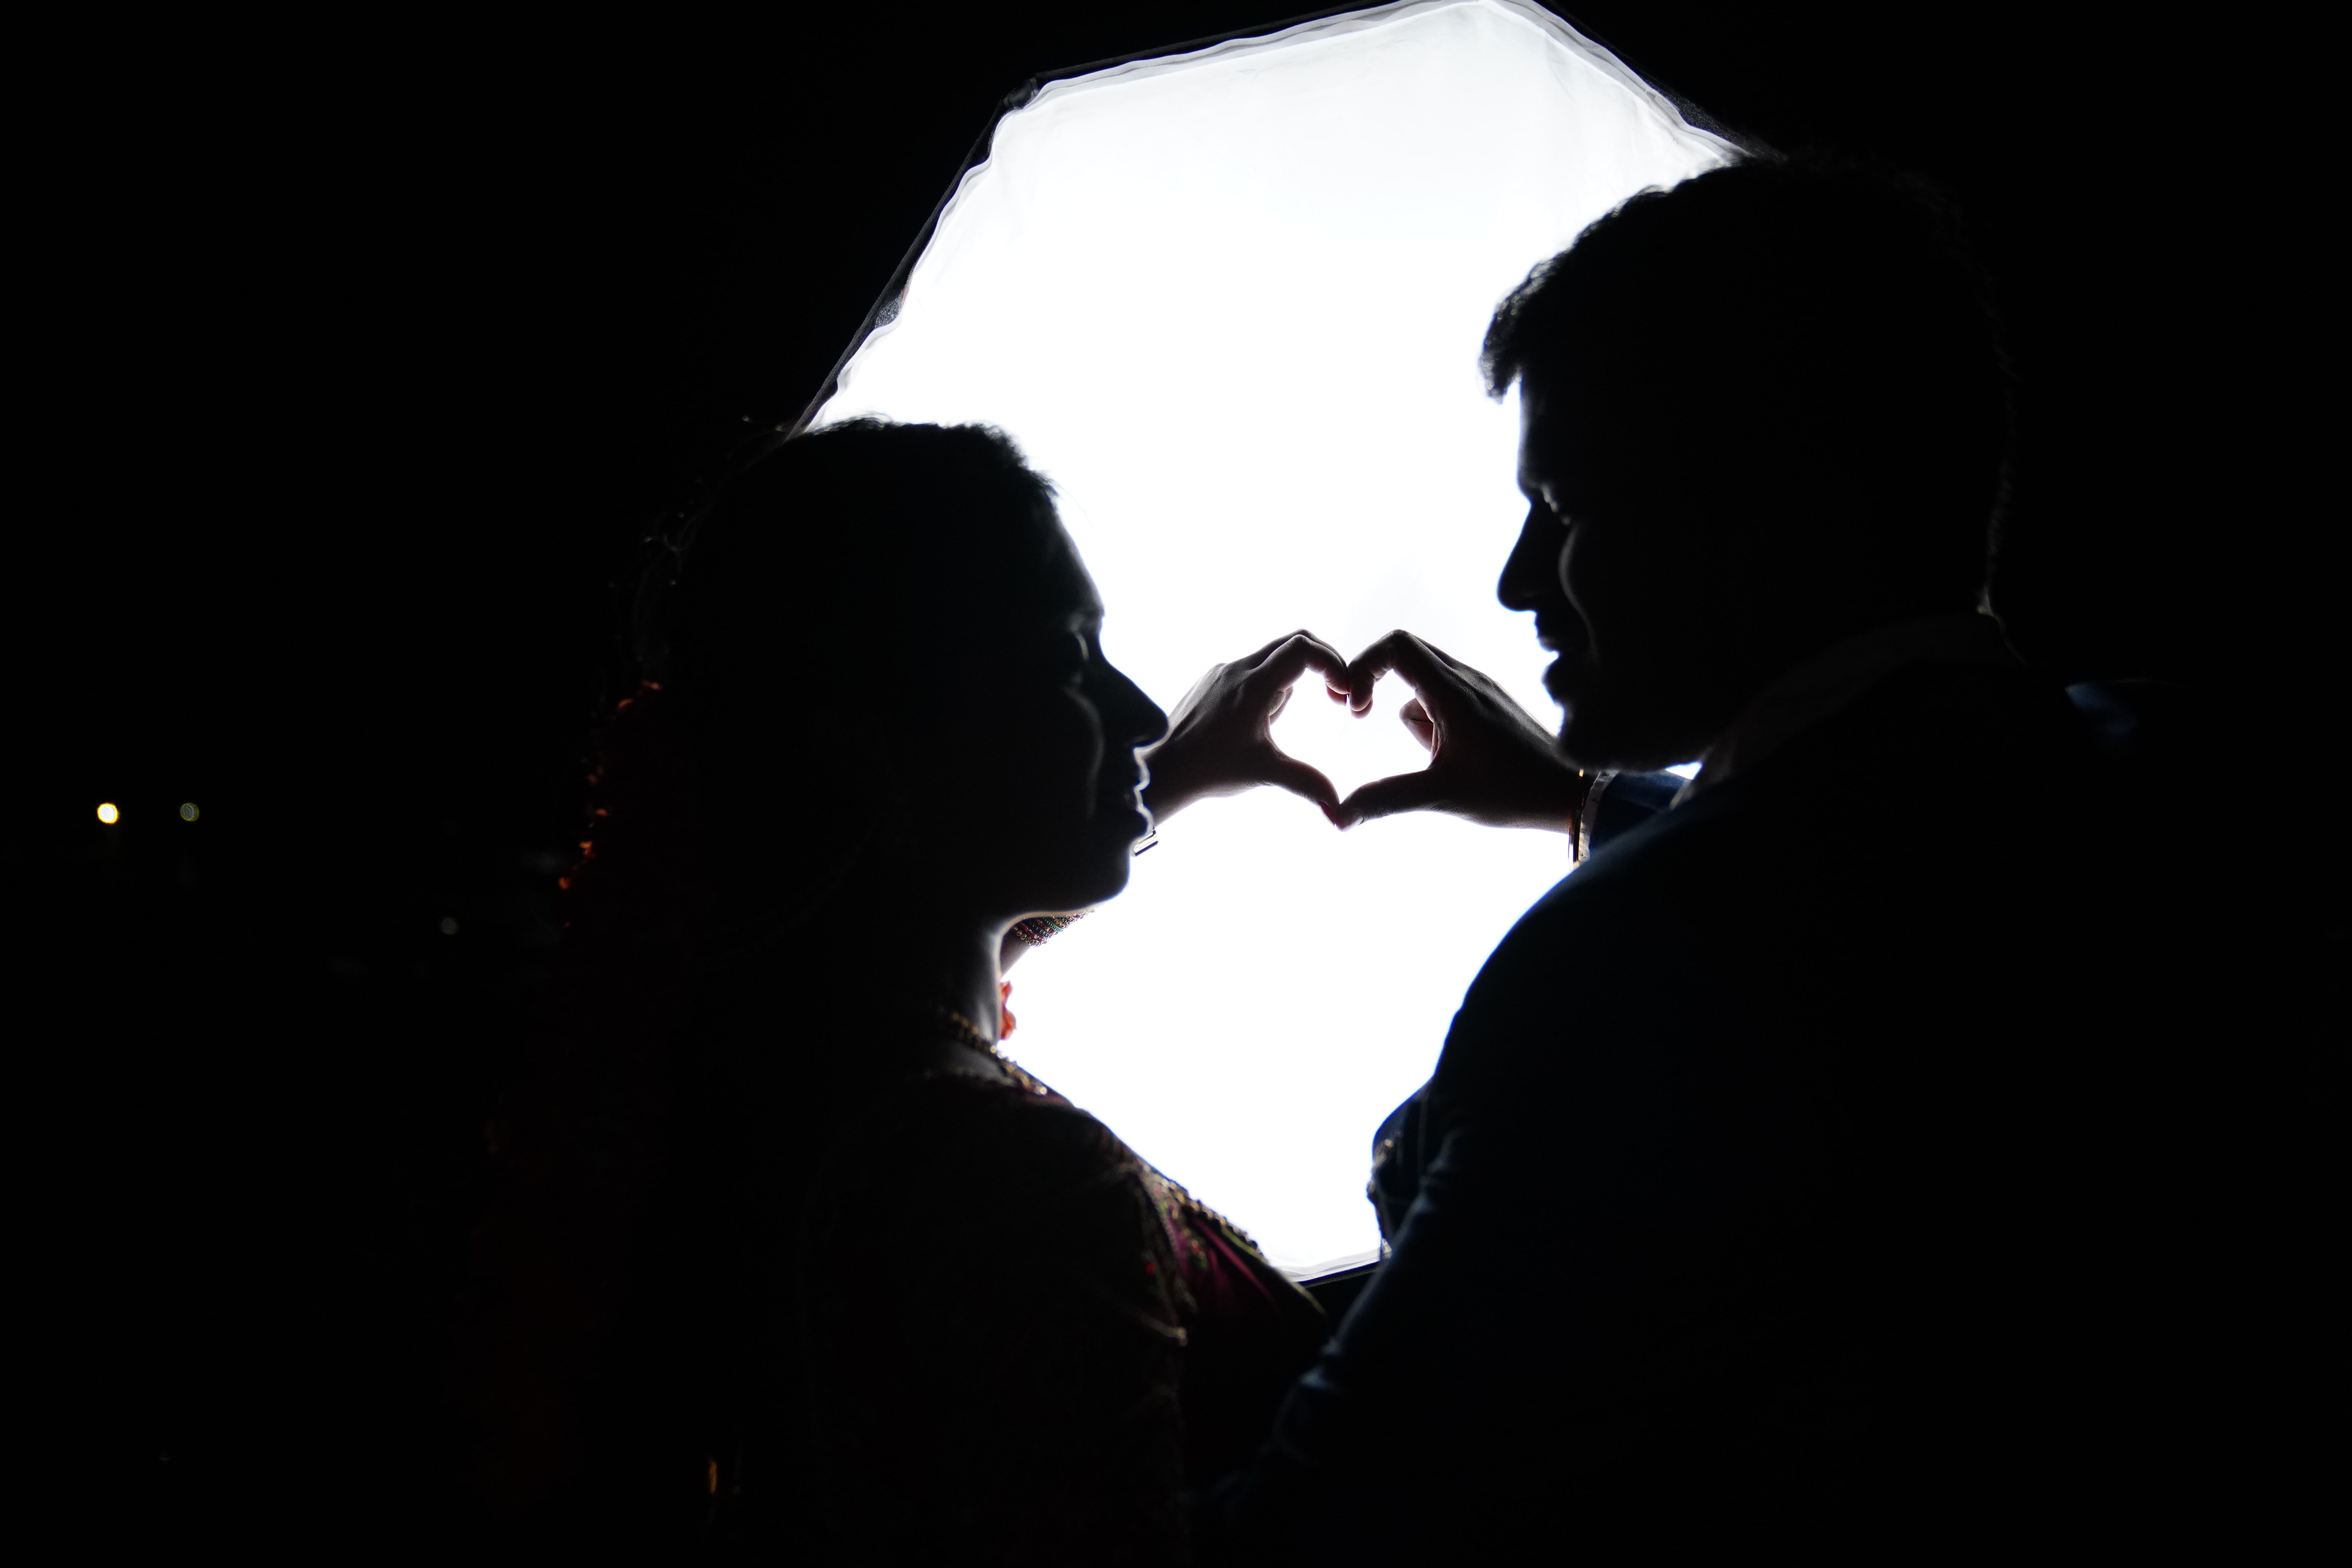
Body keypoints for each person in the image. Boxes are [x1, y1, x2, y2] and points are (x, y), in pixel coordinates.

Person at [1202, 154, 2275, 1557]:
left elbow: (1337, 1521)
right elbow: (1911, 862)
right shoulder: (2182, 767)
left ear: (1766, 507)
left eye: (1568, 509)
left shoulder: (1632, 963)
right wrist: (1590, 805)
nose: (1523, 582)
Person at [459, 419, 1358, 1562]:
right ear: (876, 746)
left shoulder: (734, 1071)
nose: (1139, 716)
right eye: (1068, 660)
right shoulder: (1014, 1183)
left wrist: (1145, 784)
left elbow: (897, 944)